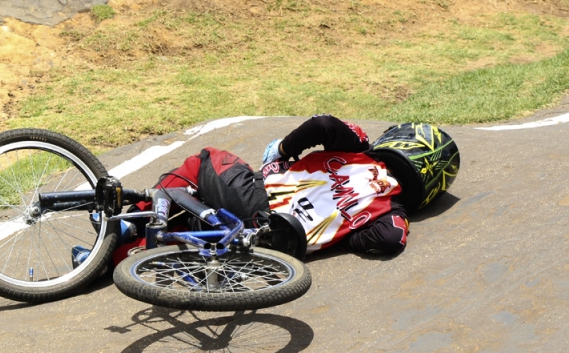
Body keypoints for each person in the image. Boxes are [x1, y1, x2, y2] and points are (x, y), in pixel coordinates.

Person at [108, 114, 460, 264]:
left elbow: (322, 124)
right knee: (197, 226)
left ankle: (139, 219)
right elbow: (389, 241)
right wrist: (343, 236)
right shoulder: (392, 214)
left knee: (204, 160)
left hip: (261, 199)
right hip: (280, 243)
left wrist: (283, 151)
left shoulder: (358, 148)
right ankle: (118, 255)